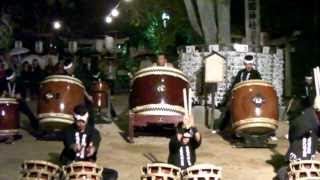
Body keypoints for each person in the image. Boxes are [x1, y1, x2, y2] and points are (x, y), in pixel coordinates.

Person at [60, 104, 118, 180]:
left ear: (87, 119)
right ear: (74, 118)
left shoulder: (94, 132)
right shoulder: (68, 130)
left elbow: (95, 142)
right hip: (71, 166)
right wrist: (74, 146)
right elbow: (69, 143)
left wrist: (92, 149)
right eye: (78, 121)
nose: (80, 124)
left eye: (83, 121)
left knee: (113, 174)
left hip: (88, 167)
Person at [275, 96, 320, 180]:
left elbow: (292, 138)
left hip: (298, 166)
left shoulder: (297, 121)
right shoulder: (314, 121)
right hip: (311, 166)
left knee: (281, 171)